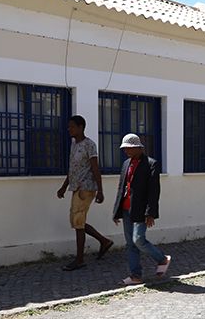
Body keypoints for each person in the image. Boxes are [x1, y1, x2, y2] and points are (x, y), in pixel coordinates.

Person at [112, 133, 171, 285]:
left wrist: (150, 213)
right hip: (126, 209)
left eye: (129, 148)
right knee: (130, 244)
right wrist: (116, 211)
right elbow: (121, 188)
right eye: (125, 148)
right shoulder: (126, 164)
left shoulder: (151, 164)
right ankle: (135, 276)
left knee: (138, 239)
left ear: (139, 147)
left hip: (141, 209)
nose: (126, 151)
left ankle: (162, 259)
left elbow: (154, 191)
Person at [57, 115, 113, 271]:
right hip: (76, 187)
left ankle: (80, 259)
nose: (69, 129)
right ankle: (104, 241)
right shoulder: (74, 145)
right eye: (69, 126)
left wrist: (100, 190)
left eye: (72, 126)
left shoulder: (90, 145)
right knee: (77, 221)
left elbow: (95, 168)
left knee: (78, 222)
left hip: (86, 188)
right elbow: (72, 169)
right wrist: (64, 187)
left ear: (81, 127)